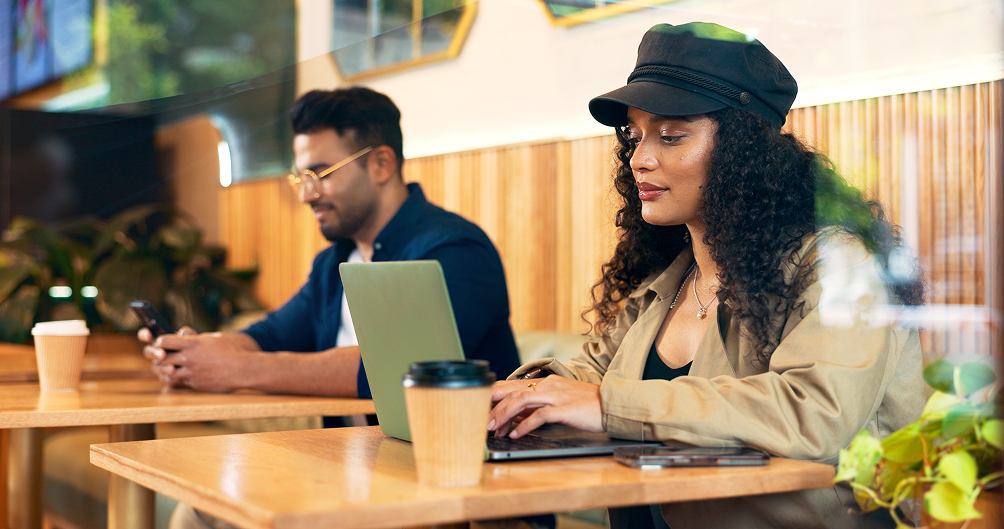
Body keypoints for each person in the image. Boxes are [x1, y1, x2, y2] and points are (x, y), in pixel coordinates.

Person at [487, 22, 926, 529]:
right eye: (633, 135)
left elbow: (814, 414)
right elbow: (592, 372)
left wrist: (609, 404)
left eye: (671, 136)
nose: (640, 158)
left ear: (745, 152)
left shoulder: (838, 265)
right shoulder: (669, 280)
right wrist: (514, 397)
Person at [141, 86, 520, 402]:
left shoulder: (453, 251)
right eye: (301, 177)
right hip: (347, 465)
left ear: (381, 165)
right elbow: (269, 337)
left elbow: (396, 370)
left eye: (320, 174)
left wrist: (239, 368)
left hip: (453, 466)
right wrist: (197, 353)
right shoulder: (334, 263)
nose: (307, 195)